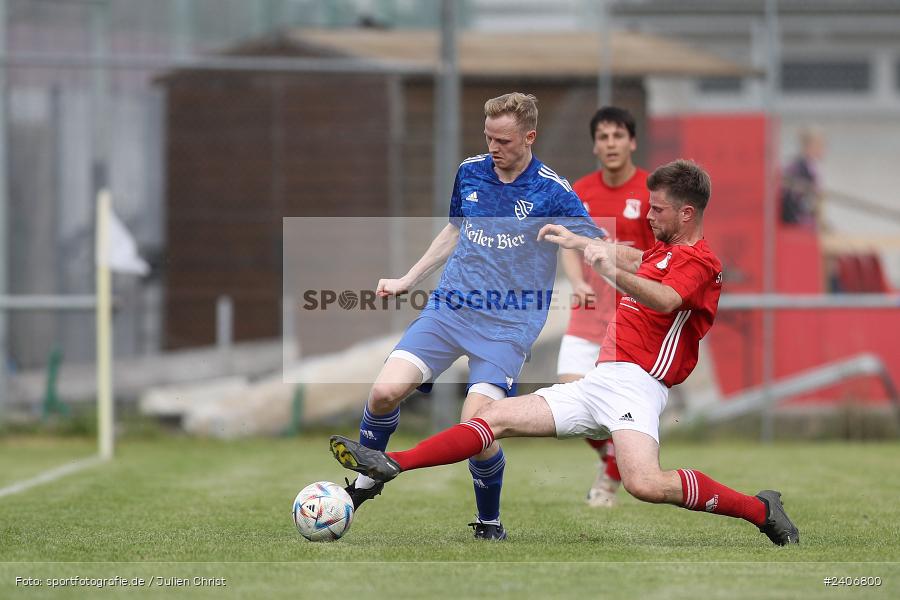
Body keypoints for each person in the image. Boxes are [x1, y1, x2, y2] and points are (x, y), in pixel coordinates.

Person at [331, 160, 800, 547]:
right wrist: (585, 242)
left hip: (638, 386)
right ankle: (393, 464)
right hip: (600, 380)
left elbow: (665, 299)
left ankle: (761, 509)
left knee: (644, 484)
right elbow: (637, 259)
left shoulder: (700, 263)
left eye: (658, 210)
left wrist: (604, 267)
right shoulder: (664, 251)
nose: (650, 216)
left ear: (688, 214)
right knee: (490, 419)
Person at [343, 92, 605, 541]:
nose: (493, 147)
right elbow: (454, 230)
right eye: (488, 137)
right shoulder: (470, 172)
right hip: (451, 308)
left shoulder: (552, 190)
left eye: (503, 140)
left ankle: (489, 523)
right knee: (385, 391)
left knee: (477, 428)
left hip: (508, 326)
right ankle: (365, 482)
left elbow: (592, 240)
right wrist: (409, 278)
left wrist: (585, 253)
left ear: (529, 136)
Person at [559, 106, 655, 508]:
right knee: (569, 394)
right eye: (603, 137)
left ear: (632, 142)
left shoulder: (652, 190)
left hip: (632, 316)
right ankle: (613, 458)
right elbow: (568, 242)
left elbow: (661, 255)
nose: (611, 144)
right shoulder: (581, 190)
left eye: (618, 136)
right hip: (588, 312)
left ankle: (610, 478)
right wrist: (578, 282)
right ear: (595, 146)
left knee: (624, 404)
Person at [780, 126, 826, 230]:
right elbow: (792, 203)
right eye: (820, 145)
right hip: (795, 221)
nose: (823, 149)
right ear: (809, 146)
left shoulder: (811, 167)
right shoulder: (795, 168)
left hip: (806, 217)